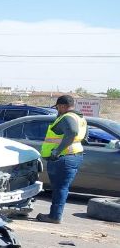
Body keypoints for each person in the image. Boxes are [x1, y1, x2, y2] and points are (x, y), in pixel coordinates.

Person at [36, 94, 87, 224]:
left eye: (58, 107)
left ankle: (54, 216)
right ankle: (55, 215)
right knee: (62, 187)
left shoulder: (67, 117)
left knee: (60, 188)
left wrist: (57, 151)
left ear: (63, 106)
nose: (57, 110)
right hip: (74, 156)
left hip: (63, 158)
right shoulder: (80, 118)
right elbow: (84, 138)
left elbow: (72, 132)